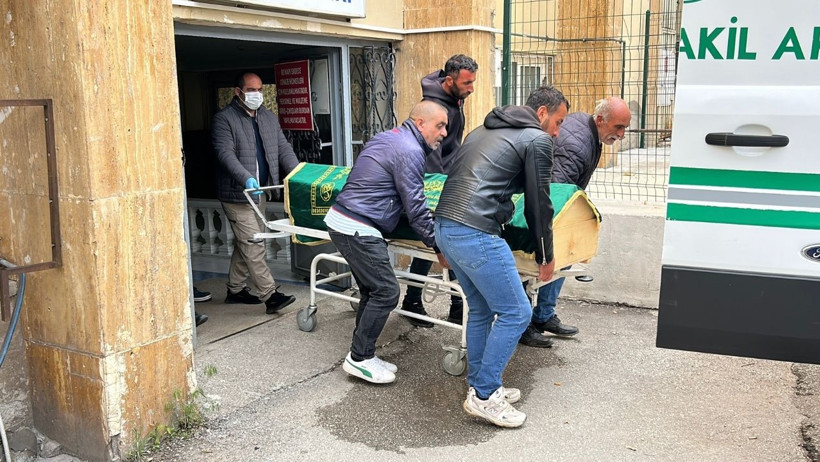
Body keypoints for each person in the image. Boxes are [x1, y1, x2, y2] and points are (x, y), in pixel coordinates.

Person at [434, 86, 569, 428]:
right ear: (542, 114)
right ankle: (484, 395)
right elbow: (540, 201)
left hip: (446, 226)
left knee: (480, 308)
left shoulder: (484, 129)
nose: (558, 132)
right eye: (558, 121)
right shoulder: (536, 140)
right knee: (518, 311)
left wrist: (444, 242)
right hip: (475, 231)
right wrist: (545, 253)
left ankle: (479, 383)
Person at [325, 101, 450, 384]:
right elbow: (416, 207)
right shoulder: (410, 151)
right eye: (439, 125)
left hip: (344, 220)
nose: (443, 133)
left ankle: (363, 354)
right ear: (420, 123)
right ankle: (358, 359)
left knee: (372, 290)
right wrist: (439, 246)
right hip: (358, 225)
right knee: (386, 292)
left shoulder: (388, 137)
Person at [520, 97, 631, 348]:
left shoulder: (590, 129)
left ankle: (543, 316)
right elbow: (557, 193)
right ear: (601, 120)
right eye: (618, 127)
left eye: (625, 127)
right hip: (540, 210)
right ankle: (524, 323)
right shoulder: (577, 145)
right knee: (536, 264)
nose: (622, 134)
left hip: (549, 205)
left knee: (562, 258)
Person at [212, 72, 299, 315]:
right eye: (252, 90)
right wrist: (245, 179)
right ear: (238, 92)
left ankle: (236, 289)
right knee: (254, 242)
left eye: (260, 90)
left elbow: (283, 148)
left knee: (247, 241)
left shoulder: (269, 118)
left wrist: (298, 174)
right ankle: (270, 295)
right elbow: (224, 153)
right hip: (237, 194)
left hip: (260, 192)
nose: (257, 95)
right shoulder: (224, 119)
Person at [401, 54, 478, 327]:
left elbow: (451, 147)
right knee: (440, 244)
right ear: (449, 80)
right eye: (467, 83)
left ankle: (449, 305)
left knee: (443, 245)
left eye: (473, 82)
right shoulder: (433, 106)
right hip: (434, 181)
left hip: (448, 177)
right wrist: (439, 192)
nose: (471, 89)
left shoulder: (455, 100)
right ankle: (420, 301)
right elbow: (431, 154)